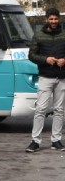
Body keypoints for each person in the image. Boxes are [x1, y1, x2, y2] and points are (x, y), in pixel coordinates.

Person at [26, 8, 65, 152]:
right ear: (46, 19)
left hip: (61, 78)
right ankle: (35, 141)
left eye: (56, 19)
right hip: (45, 77)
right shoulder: (39, 35)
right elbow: (31, 55)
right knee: (40, 109)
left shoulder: (64, 34)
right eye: (51, 19)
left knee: (59, 110)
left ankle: (56, 140)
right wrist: (46, 60)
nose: (54, 21)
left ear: (59, 19)